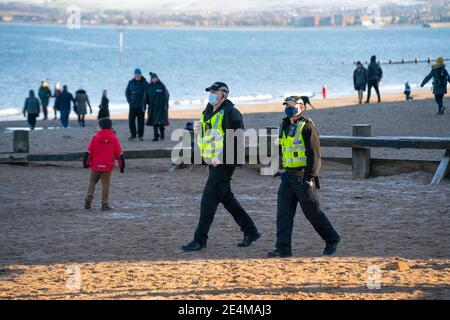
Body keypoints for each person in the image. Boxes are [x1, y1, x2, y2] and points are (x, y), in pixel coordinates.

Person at [182, 82, 261, 252]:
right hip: (212, 162)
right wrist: (197, 130)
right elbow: (207, 135)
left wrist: (222, 157)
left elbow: (237, 140)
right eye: (209, 91)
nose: (210, 94)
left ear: (223, 95)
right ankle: (251, 231)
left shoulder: (232, 113)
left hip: (225, 163)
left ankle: (199, 240)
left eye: (214, 91)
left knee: (207, 201)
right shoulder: (208, 111)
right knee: (227, 199)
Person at [267, 96, 341, 258]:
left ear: (301, 108)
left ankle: (332, 239)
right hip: (287, 176)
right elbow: (282, 149)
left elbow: (315, 155)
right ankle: (283, 248)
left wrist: (310, 177)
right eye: (286, 105)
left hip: (303, 176)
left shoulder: (307, 127)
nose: (288, 108)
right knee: (283, 213)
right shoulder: (284, 125)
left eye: (292, 105)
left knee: (312, 212)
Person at [83, 118, 125, 211]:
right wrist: (122, 167)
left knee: (92, 181)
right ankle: (104, 204)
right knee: (105, 184)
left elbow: (88, 152)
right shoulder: (114, 138)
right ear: (111, 126)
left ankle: (90, 195)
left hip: (95, 165)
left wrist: (85, 163)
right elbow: (120, 154)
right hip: (107, 166)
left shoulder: (95, 137)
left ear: (100, 126)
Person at [144, 72, 170, 141]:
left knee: (160, 122)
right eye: (153, 78)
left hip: (161, 108)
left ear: (157, 78)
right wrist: (144, 105)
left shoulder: (161, 86)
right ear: (151, 79)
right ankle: (156, 136)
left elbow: (166, 95)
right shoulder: (149, 87)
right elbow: (145, 97)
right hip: (152, 108)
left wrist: (166, 105)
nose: (154, 79)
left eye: (155, 78)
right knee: (154, 122)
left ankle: (162, 134)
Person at [125, 68, 147, 141]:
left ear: (141, 74)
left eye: (139, 74)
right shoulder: (131, 82)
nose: (137, 76)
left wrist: (146, 102)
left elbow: (148, 93)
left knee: (141, 121)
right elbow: (127, 92)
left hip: (141, 105)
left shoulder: (145, 83)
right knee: (131, 121)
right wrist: (129, 101)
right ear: (134, 75)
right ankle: (133, 135)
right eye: (136, 74)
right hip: (132, 105)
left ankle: (140, 136)